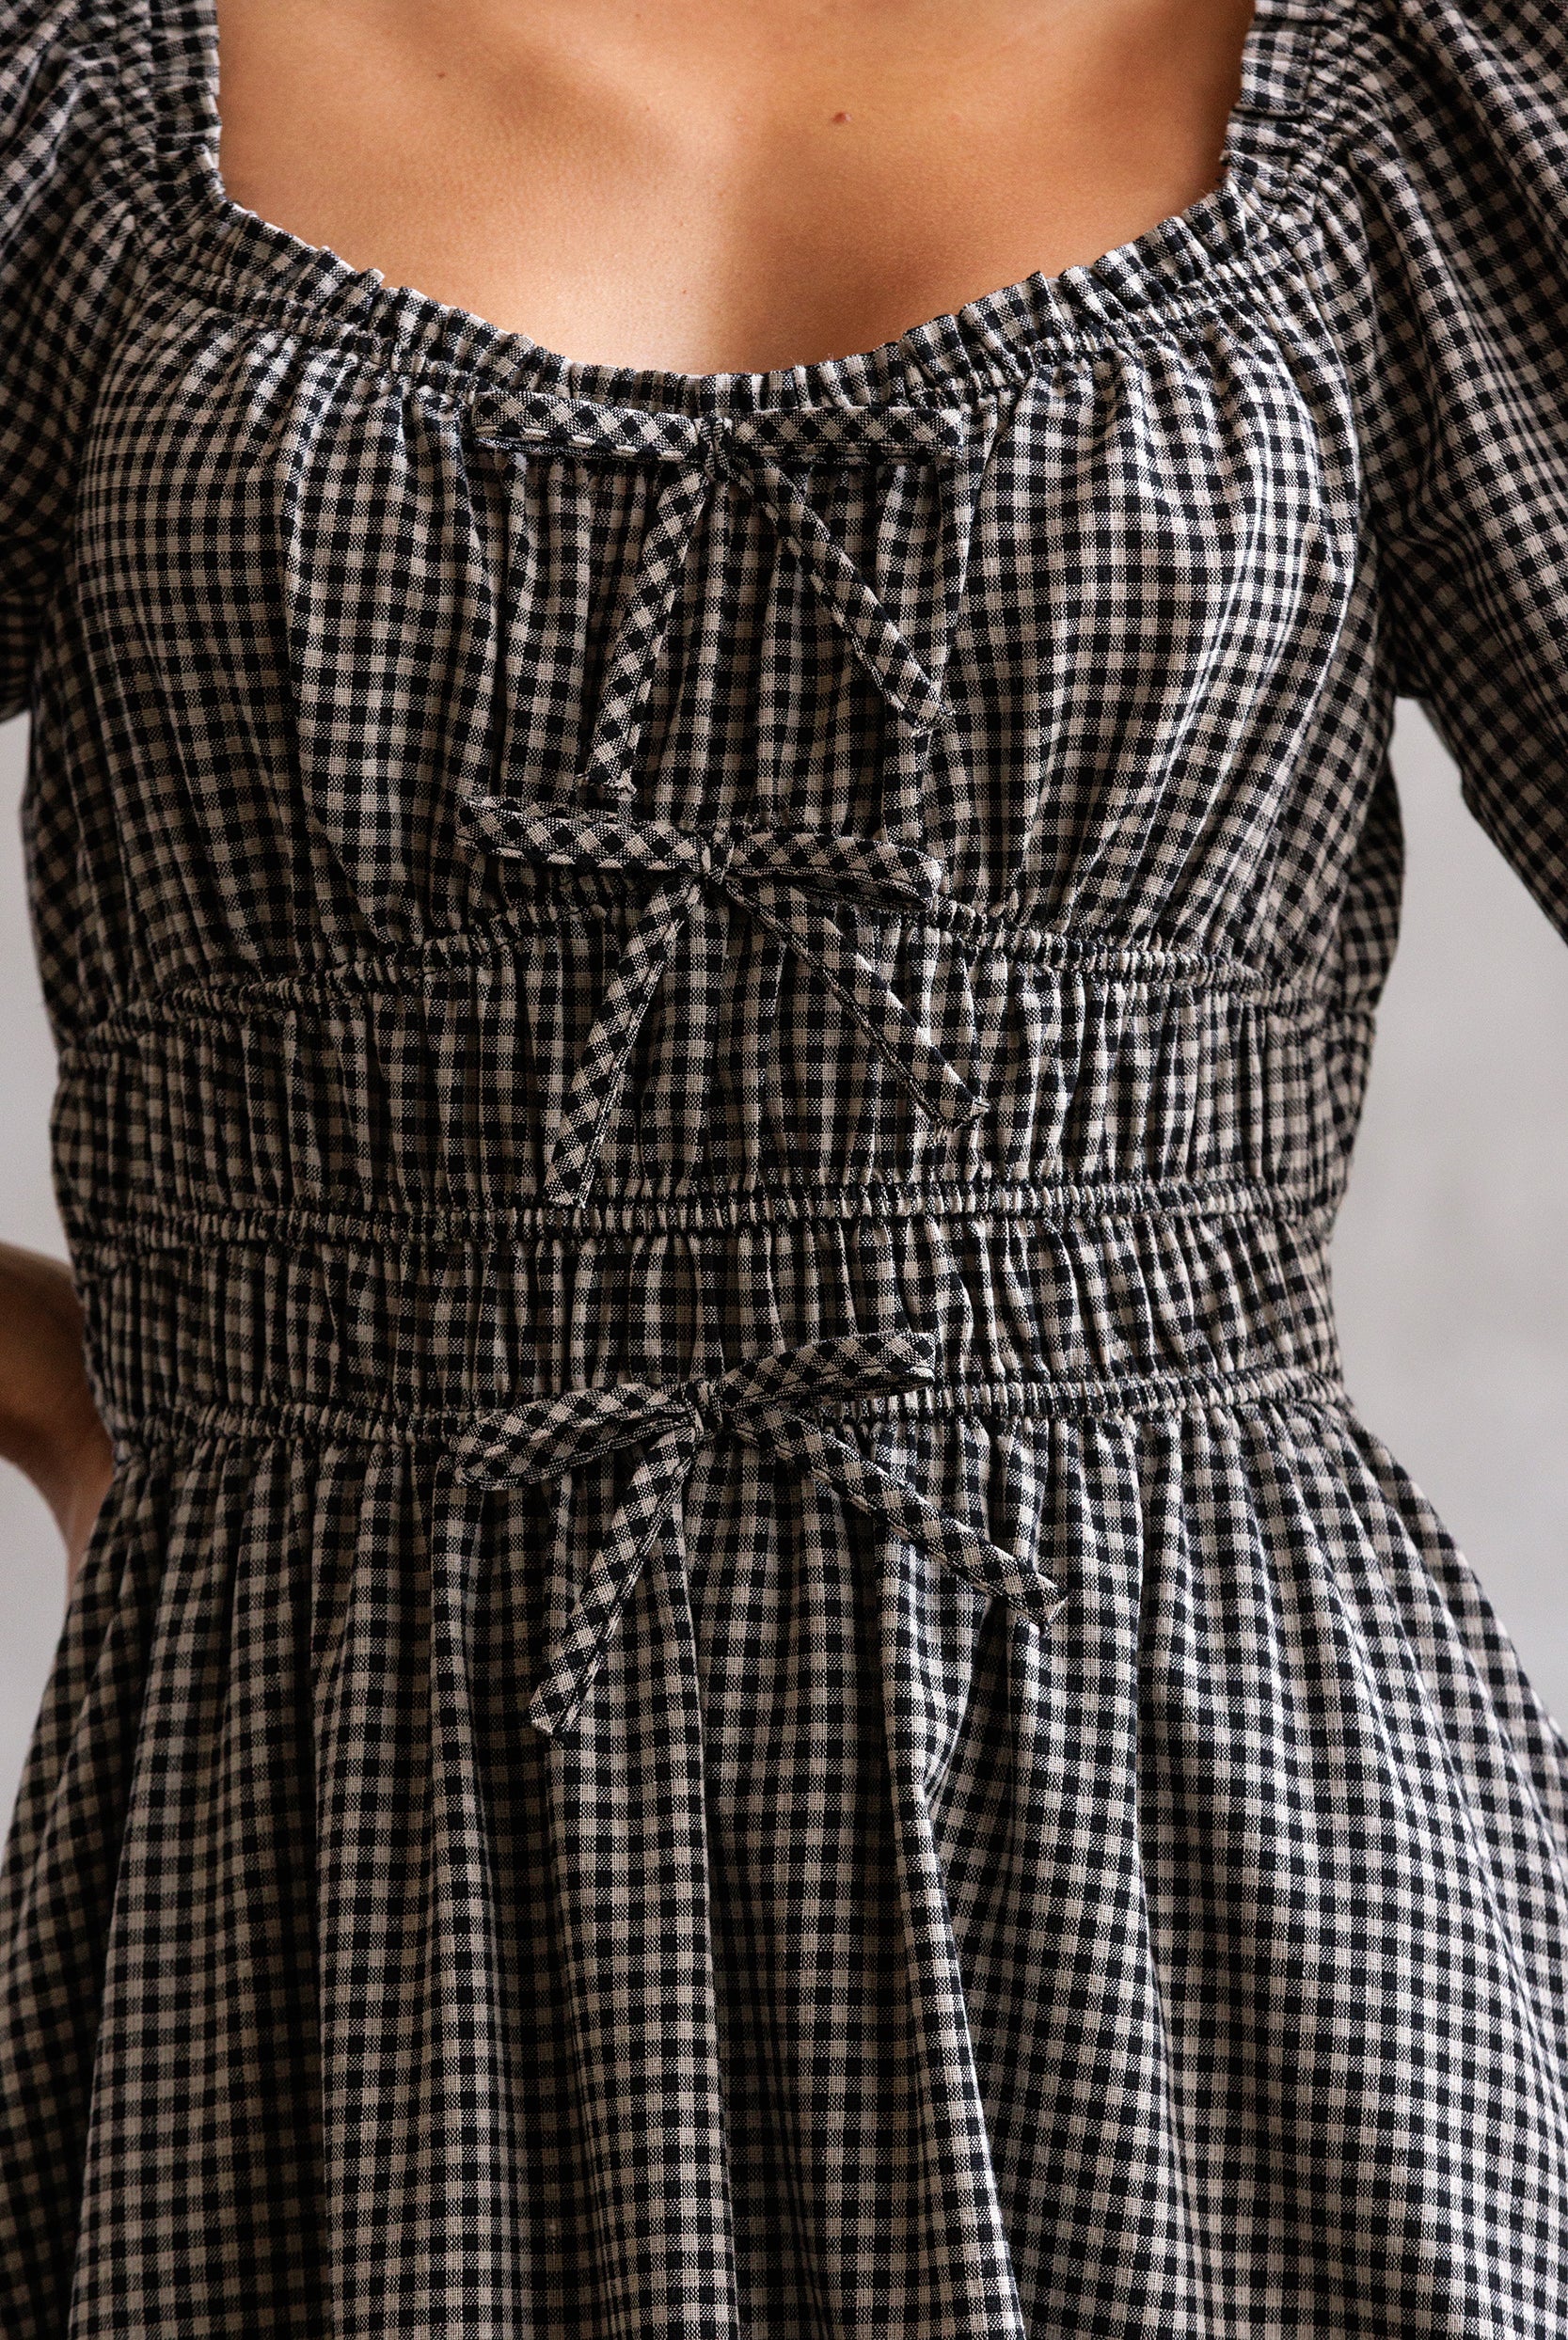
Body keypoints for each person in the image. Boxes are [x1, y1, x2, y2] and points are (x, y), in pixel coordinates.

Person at [1, 0, 1566, 2329]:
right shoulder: (75, 98)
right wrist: (73, 1377)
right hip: (328, 1882)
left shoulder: (1394, 84)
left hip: (1234, 1913)